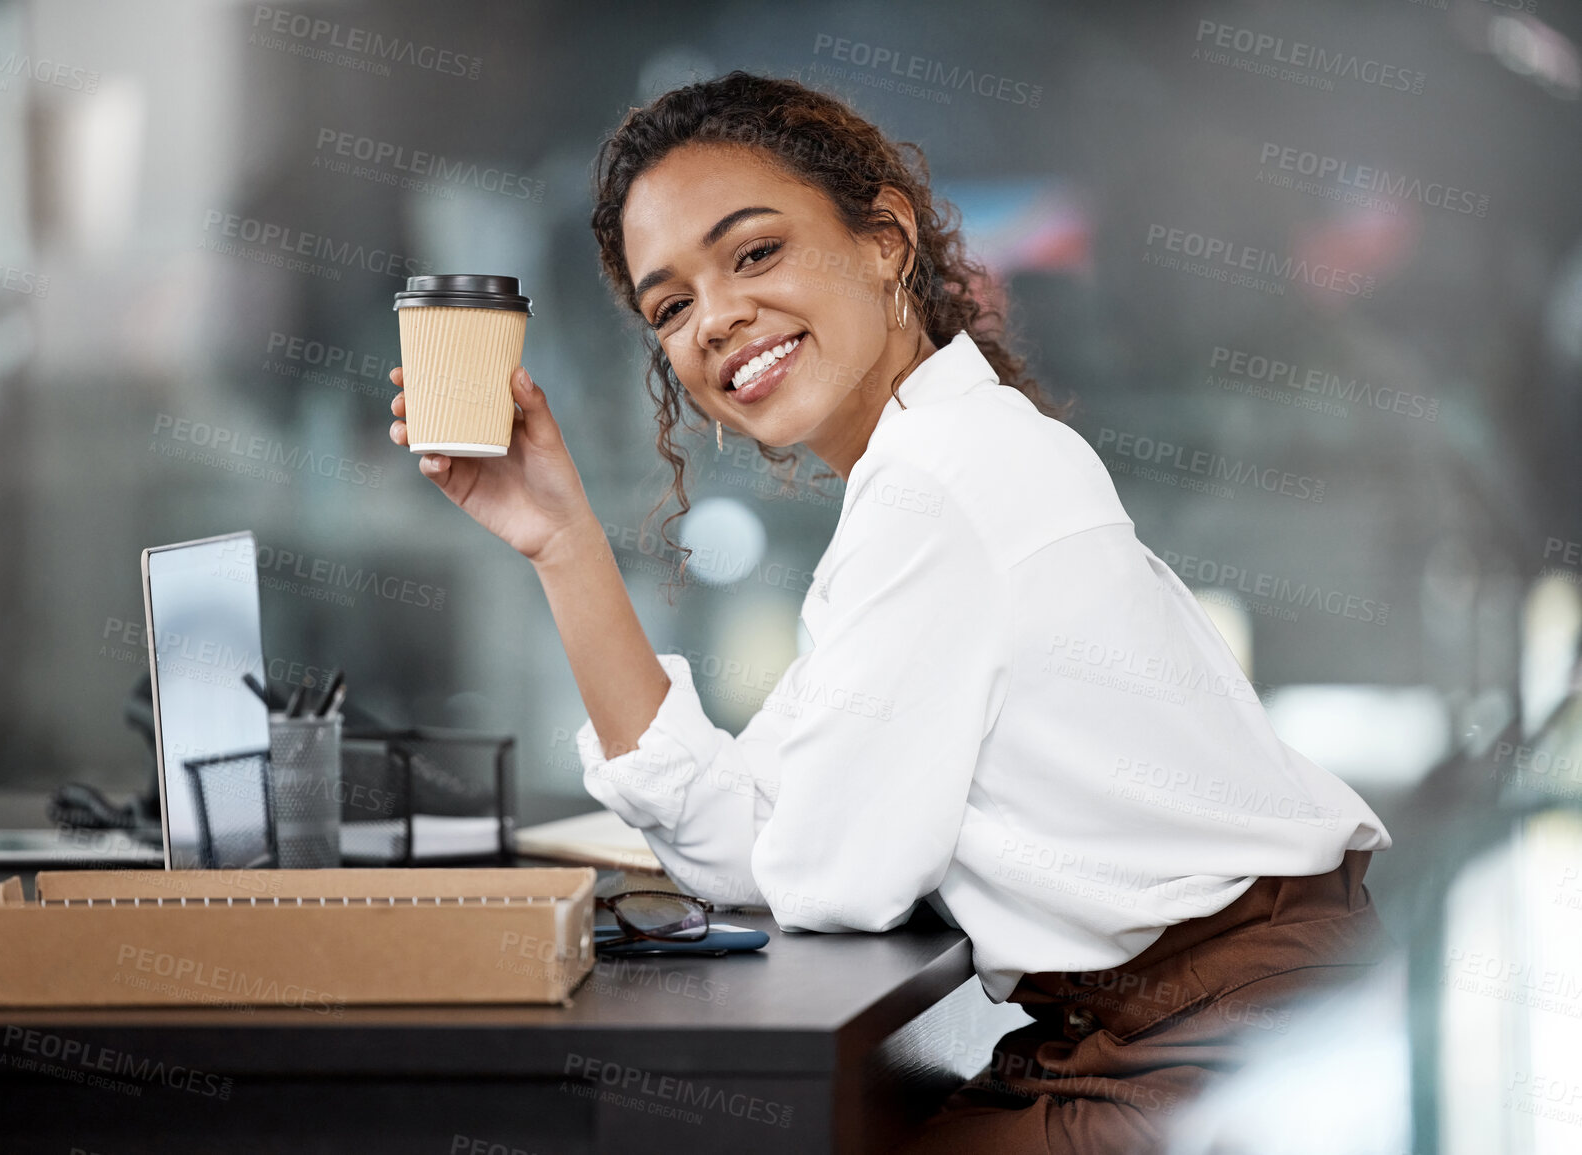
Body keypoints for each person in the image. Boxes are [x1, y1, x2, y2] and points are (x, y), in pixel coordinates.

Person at [387, 71, 1393, 1154]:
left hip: (1208, 1057)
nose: (717, 317)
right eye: (671, 305)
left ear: (885, 239)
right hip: (1174, 1032)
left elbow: (824, 876)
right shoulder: (937, 463)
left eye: (756, 252)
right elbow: (747, 844)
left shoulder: (939, 487)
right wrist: (563, 542)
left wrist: (789, 846)